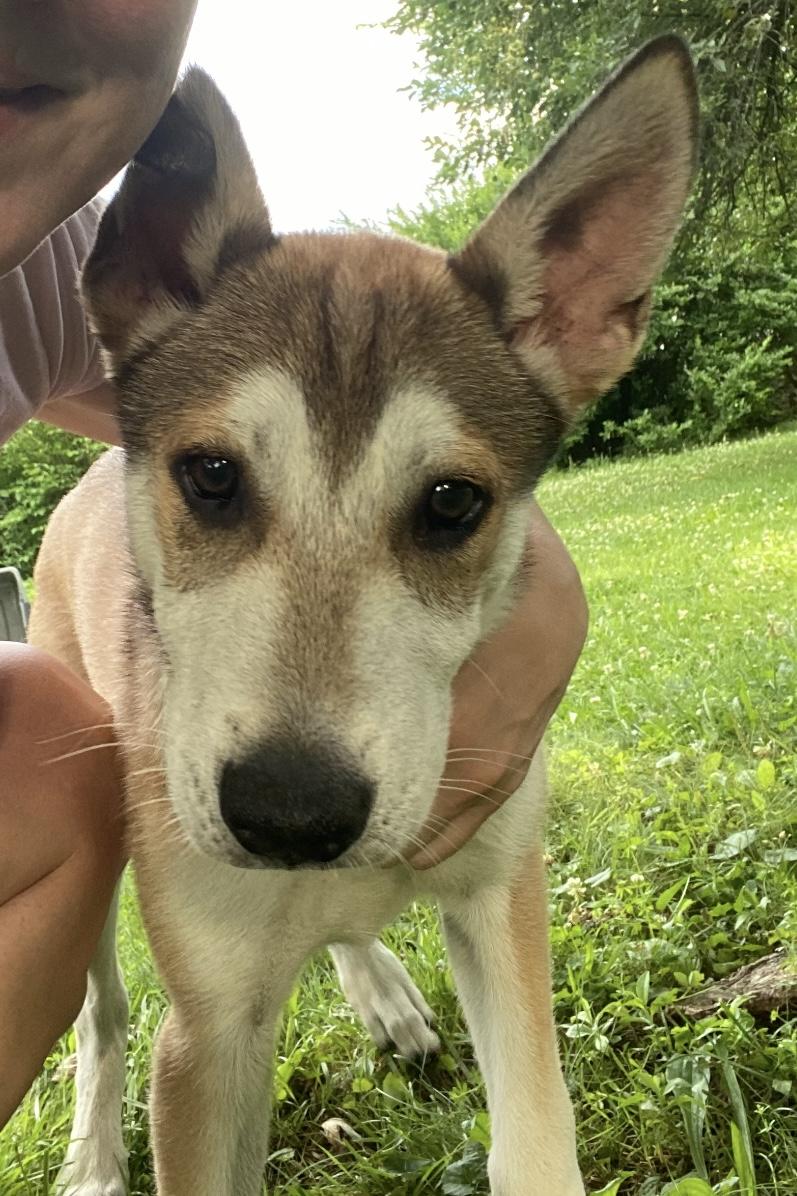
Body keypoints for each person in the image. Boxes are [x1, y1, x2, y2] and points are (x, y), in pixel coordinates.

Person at [0, 0, 588, 1129]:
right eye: (213, 484)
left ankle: (344, 944)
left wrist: (536, 580)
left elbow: (355, 369)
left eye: (448, 508)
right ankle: (96, 1077)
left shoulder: (38, 269)